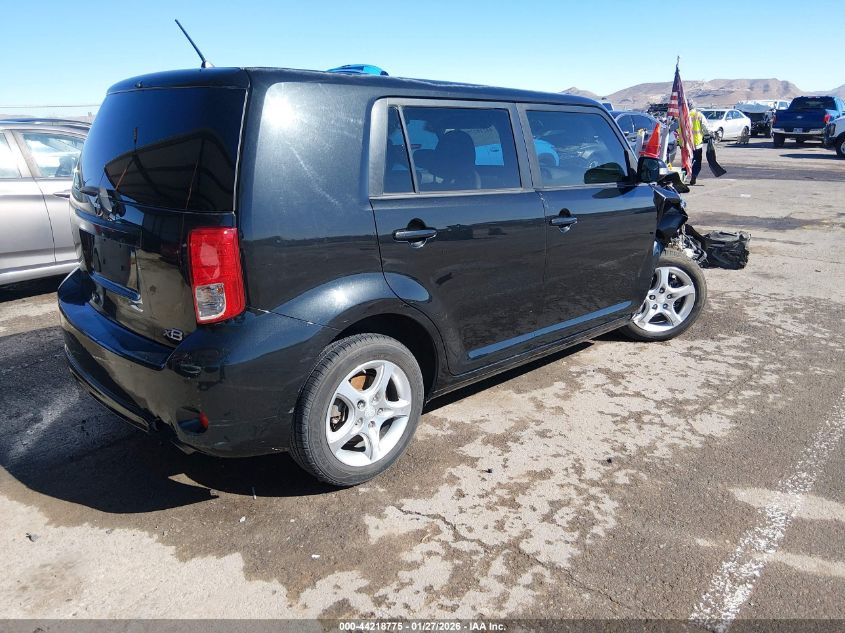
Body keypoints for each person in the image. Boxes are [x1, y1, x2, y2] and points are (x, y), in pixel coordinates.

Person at [687, 103, 708, 185]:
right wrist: (708, 134)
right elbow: (705, 127)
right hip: (696, 143)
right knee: (696, 161)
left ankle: (684, 176)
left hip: (685, 143)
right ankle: (694, 176)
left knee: (686, 160)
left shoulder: (682, 115)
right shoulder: (698, 115)